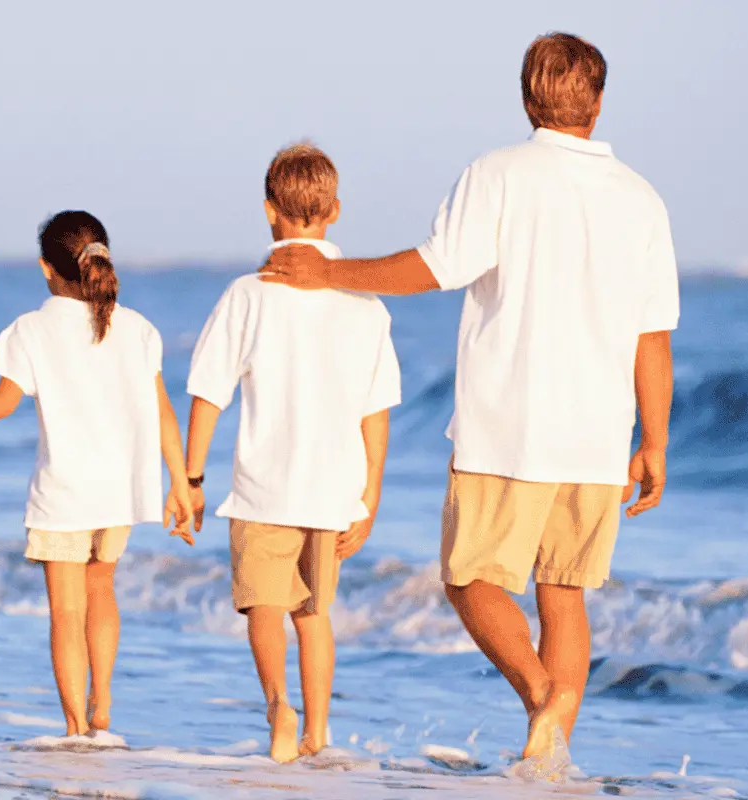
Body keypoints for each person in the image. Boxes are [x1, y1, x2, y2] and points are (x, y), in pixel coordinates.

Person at [260, 32, 679, 766]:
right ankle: (551, 755)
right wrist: (655, 442)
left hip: (509, 426)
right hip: (598, 434)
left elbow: (433, 268)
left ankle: (543, 698)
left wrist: (329, 275)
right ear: (600, 102)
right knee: (564, 592)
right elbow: (654, 338)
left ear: (526, 98)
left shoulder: (498, 174)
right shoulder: (642, 199)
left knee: (469, 580)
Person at [0, 211, 196, 737]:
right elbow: (163, 411)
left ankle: (77, 727)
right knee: (102, 590)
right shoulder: (138, 329)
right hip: (120, 493)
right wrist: (181, 483)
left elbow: (0, 404)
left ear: (46, 268)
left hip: (64, 494)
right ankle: (102, 704)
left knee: (65, 612)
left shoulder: (31, 330)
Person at [182, 143, 400, 763]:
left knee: (263, 604)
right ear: (334, 210)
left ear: (269, 211)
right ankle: (319, 733)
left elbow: (208, 393)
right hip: (334, 490)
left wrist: (193, 476)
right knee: (315, 613)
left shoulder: (247, 295)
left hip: (262, 485)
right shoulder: (365, 304)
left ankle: (279, 705)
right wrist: (371, 494)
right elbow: (375, 410)